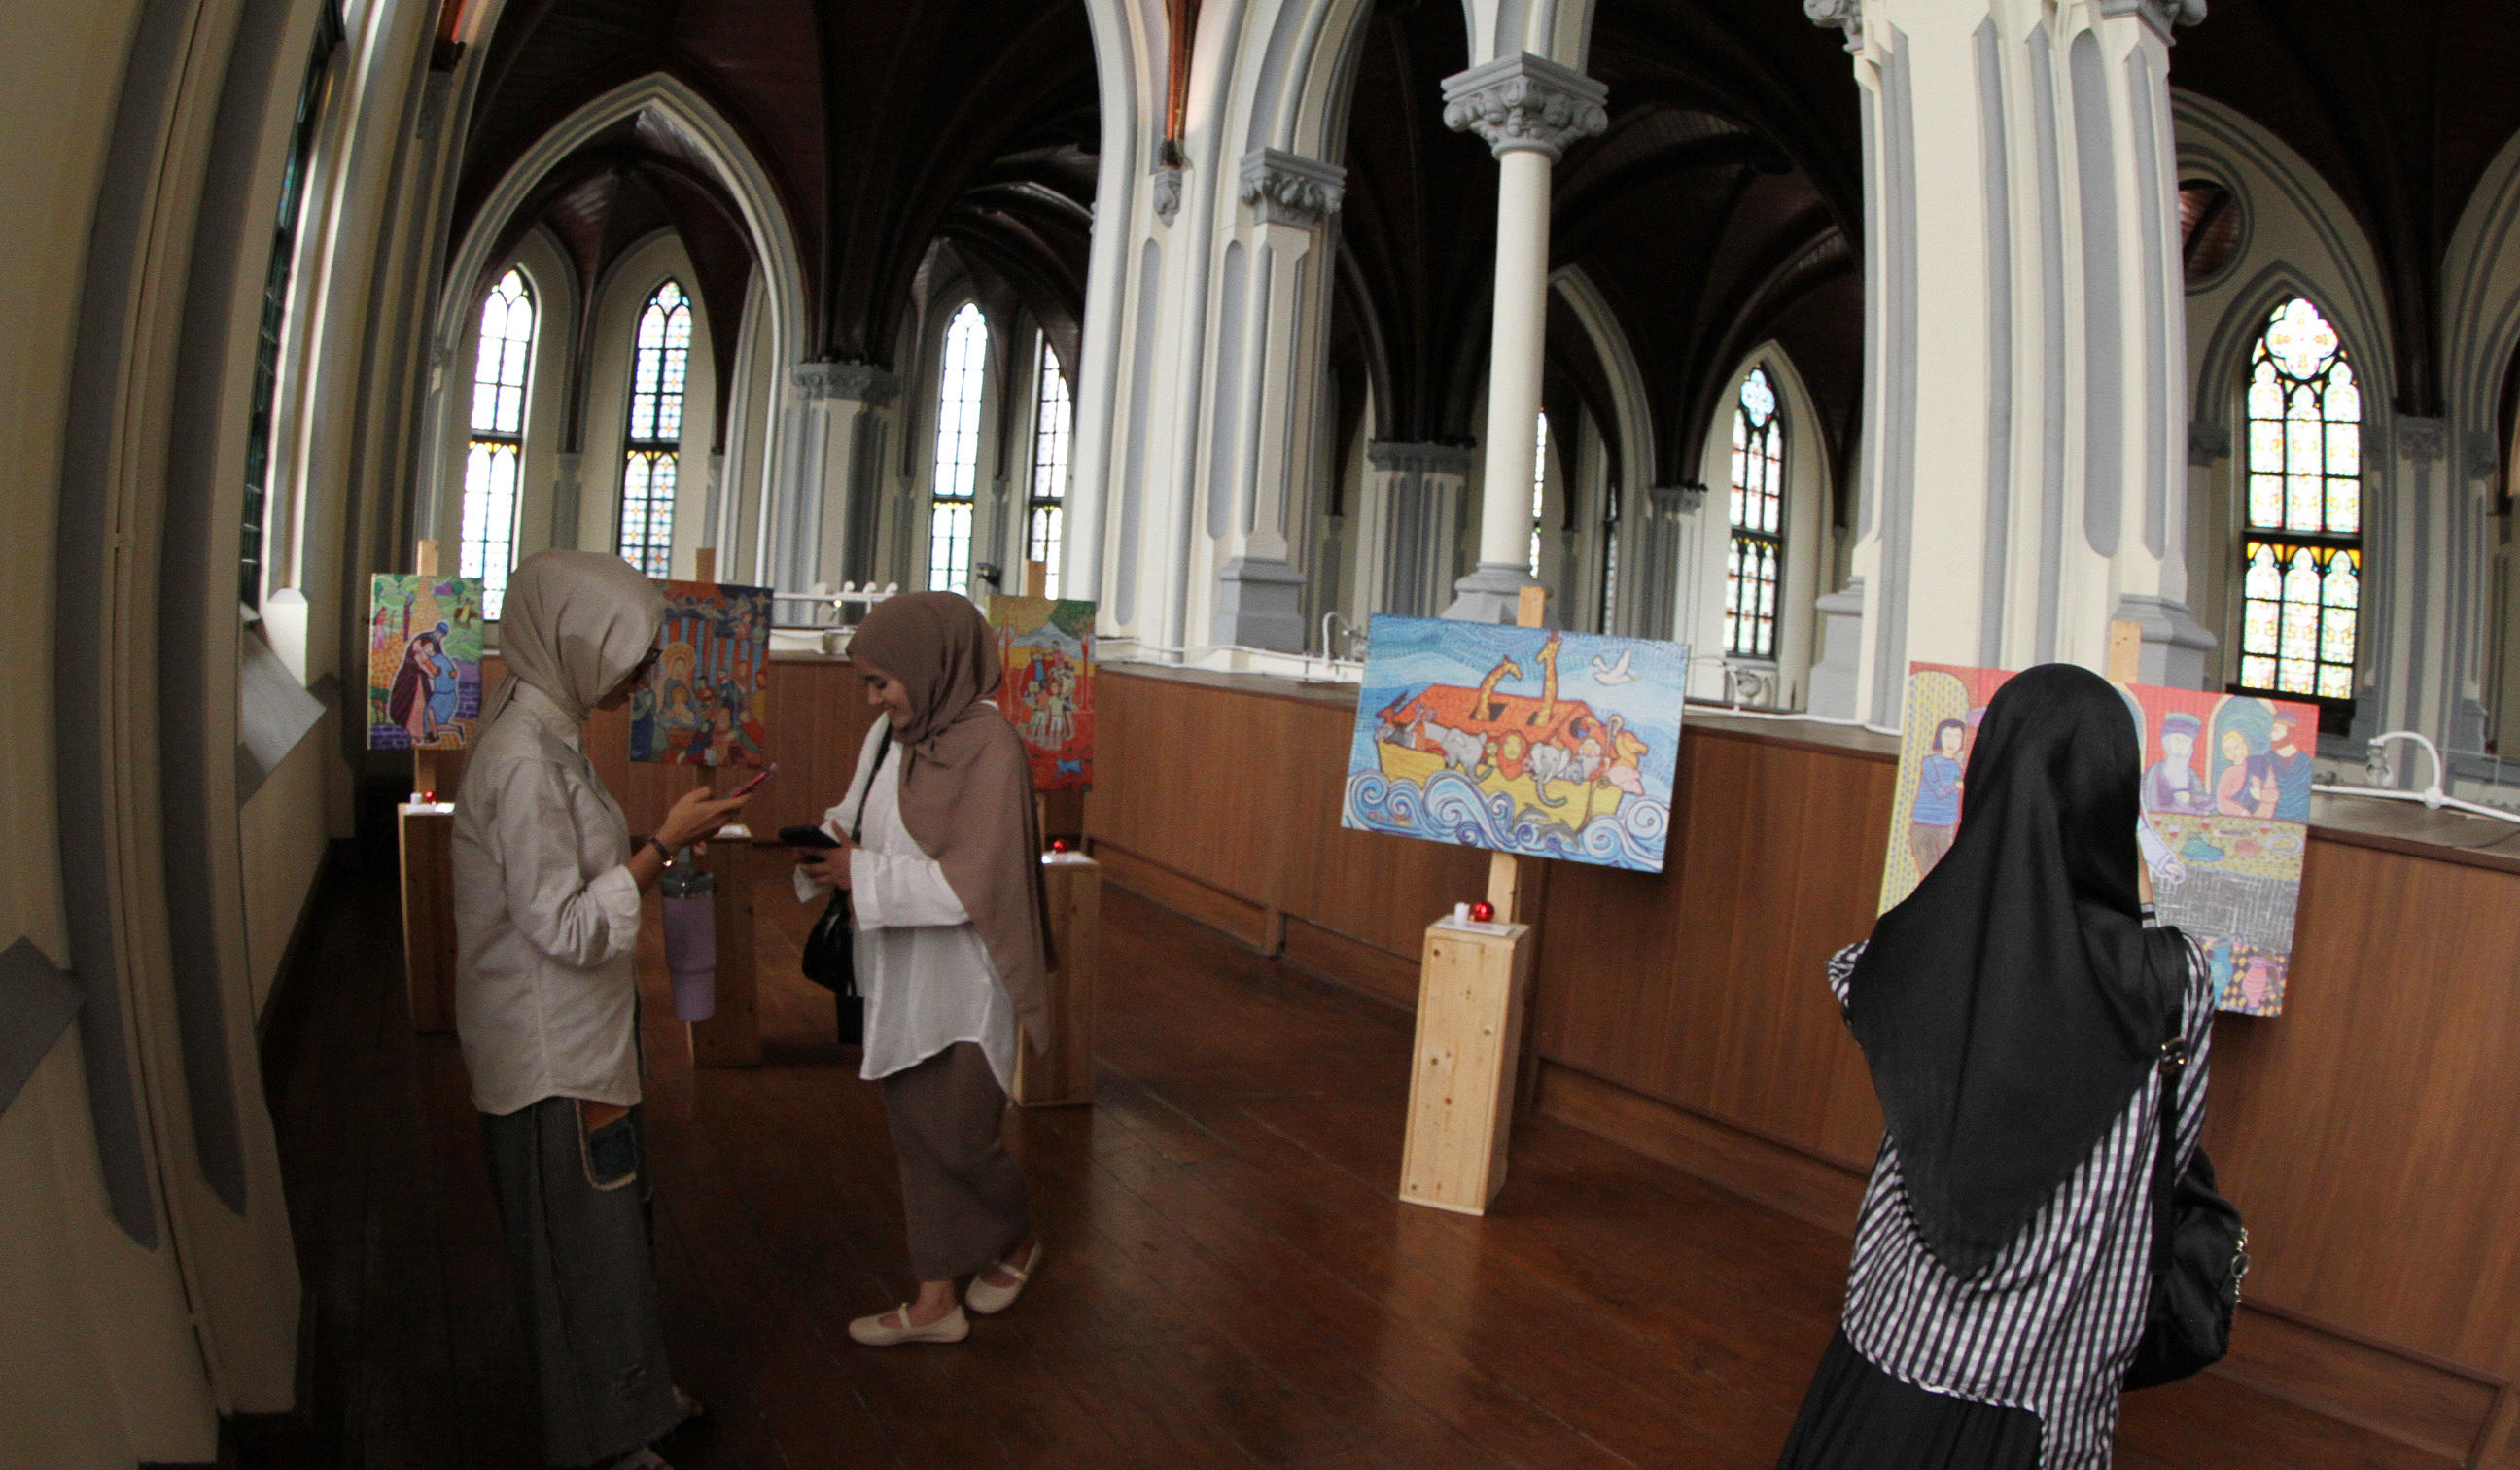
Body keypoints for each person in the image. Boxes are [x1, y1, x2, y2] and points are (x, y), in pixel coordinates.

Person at [1777, 664, 2215, 1470]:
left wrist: (1962, 885)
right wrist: (2142, 903)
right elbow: (2174, 1154)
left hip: (1897, 1336)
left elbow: (1858, 987)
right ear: (2115, 793)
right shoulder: (2171, 976)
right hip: (2050, 1369)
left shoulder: (1909, 946)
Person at [452, 551, 752, 1470]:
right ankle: (609, 1443)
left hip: (577, 1036)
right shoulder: (523, 762)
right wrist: (664, 844)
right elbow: (570, 929)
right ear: (574, 643)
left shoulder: (544, 722)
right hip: (549, 1054)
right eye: (629, 657)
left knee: (616, 1232)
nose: (643, 678)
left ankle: (635, 1400)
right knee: (583, 1252)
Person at [791, 591, 1057, 1347]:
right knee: (916, 1130)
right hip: (899, 971)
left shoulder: (991, 749)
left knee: (960, 1134)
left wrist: (861, 873)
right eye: (868, 686)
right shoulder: (889, 734)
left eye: (884, 682)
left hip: (966, 981)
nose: (877, 700)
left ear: (930, 666)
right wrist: (829, 845)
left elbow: (973, 887)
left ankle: (1015, 1240)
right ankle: (936, 1298)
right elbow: (857, 813)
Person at [1907, 718, 1967, 876]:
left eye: (1957, 737)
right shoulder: (1929, 762)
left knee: (1943, 875)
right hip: (1924, 826)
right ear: (1939, 737)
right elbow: (1939, 791)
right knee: (1928, 874)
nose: (1952, 741)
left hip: (1945, 827)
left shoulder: (1956, 767)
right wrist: (1956, 786)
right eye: (1947, 735)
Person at [2140, 711, 2207, 815]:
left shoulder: (2192, 776)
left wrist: (2191, 799)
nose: (2181, 745)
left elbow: (2204, 804)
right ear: (2167, 742)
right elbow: (2147, 804)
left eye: (2185, 741)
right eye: (2177, 739)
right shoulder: (2153, 773)